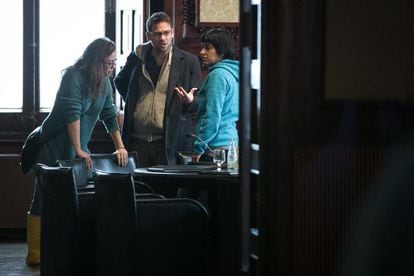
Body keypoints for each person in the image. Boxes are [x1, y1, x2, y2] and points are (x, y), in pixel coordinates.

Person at [25, 37, 128, 266]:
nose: (112, 68)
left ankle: (65, 248)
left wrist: (119, 145)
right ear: (95, 60)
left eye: (114, 63)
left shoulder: (105, 82)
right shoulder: (74, 76)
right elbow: (73, 113)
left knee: (75, 200)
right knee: (42, 198)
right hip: (54, 147)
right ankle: (35, 253)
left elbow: (109, 115)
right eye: (108, 63)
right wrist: (79, 148)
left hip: (77, 148)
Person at [114, 11, 201, 167]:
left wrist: (190, 100)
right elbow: (119, 81)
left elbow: (199, 102)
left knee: (167, 188)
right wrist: (137, 103)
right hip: (137, 139)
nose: (163, 38)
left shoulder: (188, 61)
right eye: (157, 34)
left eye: (167, 33)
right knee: (139, 186)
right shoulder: (137, 57)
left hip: (169, 139)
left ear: (172, 33)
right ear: (148, 36)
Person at [175, 28, 239, 162]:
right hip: (229, 144)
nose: (202, 52)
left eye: (207, 48)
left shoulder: (218, 75)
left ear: (221, 51)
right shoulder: (231, 72)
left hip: (215, 149)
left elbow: (212, 116)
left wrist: (198, 148)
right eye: (202, 47)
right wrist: (192, 101)